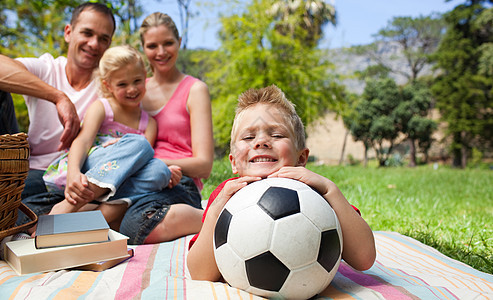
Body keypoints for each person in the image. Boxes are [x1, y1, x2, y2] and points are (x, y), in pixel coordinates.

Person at [187, 85, 376, 281]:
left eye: (276, 135)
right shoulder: (226, 196)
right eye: (248, 137)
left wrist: (330, 191)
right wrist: (215, 214)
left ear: (301, 158)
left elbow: (364, 259)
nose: (261, 142)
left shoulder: (315, 195)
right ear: (234, 162)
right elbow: (200, 273)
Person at [44, 46, 176, 228]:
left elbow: (142, 163)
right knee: (139, 143)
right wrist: (73, 173)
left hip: (122, 180)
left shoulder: (149, 123)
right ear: (108, 85)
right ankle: (70, 205)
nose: (132, 89)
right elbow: (82, 141)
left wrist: (170, 173)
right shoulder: (102, 107)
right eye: (122, 84)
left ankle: (94, 218)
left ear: (145, 76)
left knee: (160, 170)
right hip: (94, 165)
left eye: (137, 81)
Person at [113, 12, 214, 244]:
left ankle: (213, 218)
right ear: (143, 49)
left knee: (135, 224)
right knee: (101, 217)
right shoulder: (135, 89)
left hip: (178, 181)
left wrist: (150, 164)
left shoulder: (195, 89)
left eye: (168, 43)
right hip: (136, 181)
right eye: (152, 46)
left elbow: (205, 165)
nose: (161, 52)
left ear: (179, 42)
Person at [0, 2, 115, 200]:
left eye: (103, 39)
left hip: (64, 175)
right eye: (87, 33)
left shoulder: (110, 87)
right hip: (20, 164)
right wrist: (58, 97)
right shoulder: (47, 68)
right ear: (68, 33)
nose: (94, 44)